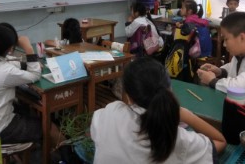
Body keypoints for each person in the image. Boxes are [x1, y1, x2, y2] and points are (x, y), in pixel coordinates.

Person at [90, 57, 226, 164]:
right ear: (169, 90)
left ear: (128, 96)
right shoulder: (176, 138)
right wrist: (186, 115)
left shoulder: (110, 113)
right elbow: (220, 142)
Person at [197, 12, 245, 98]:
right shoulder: (239, 56)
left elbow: (239, 88)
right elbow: (232, 68)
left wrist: (211, 80)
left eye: (226, 39)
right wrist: (219, 71)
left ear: (242, 38)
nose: (224, 44)